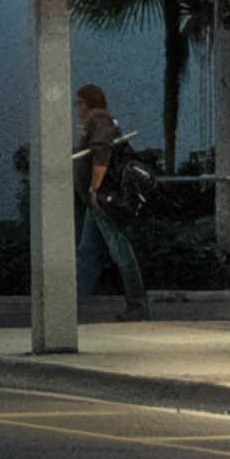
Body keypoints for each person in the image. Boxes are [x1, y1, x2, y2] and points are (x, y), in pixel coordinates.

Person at [74, 83, 149, 321]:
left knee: (119, 248)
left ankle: (137, 305)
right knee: (88, 252)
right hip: (95, 200)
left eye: (79, 103)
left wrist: (94, 189)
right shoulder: (99, 123)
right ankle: (69, 305)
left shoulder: (100, 123)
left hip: (102, 199)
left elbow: (101, 157)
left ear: (88, 104)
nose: (77, 109)